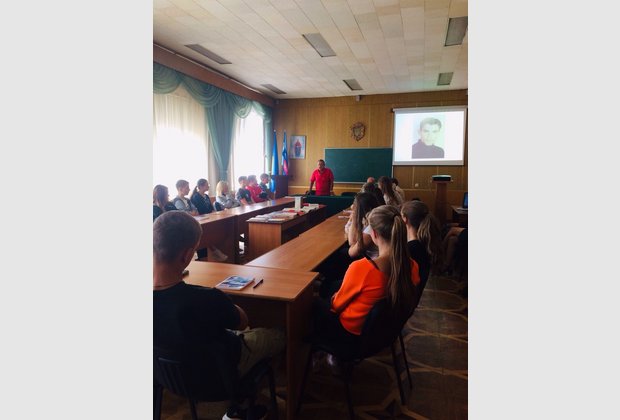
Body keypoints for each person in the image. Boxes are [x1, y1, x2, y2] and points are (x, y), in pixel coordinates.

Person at [153, 211, 285, 420]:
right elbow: (242, 322)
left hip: (170, 378)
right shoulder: (207, 298)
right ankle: (243, 401)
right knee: (279, 334)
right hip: (220, 376)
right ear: (187, 255)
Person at [311, 205, 420, 358]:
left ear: (374, 234)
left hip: (350, 336)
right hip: (382, 334)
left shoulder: (363, 269)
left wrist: (332, 296)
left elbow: (336, 307)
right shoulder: (413, 266)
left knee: (310, 303)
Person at [400, 200, 443, 294]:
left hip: (406, 295)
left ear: (405, 219)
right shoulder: (426, 242)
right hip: (414, 295)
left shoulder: (410, 248)